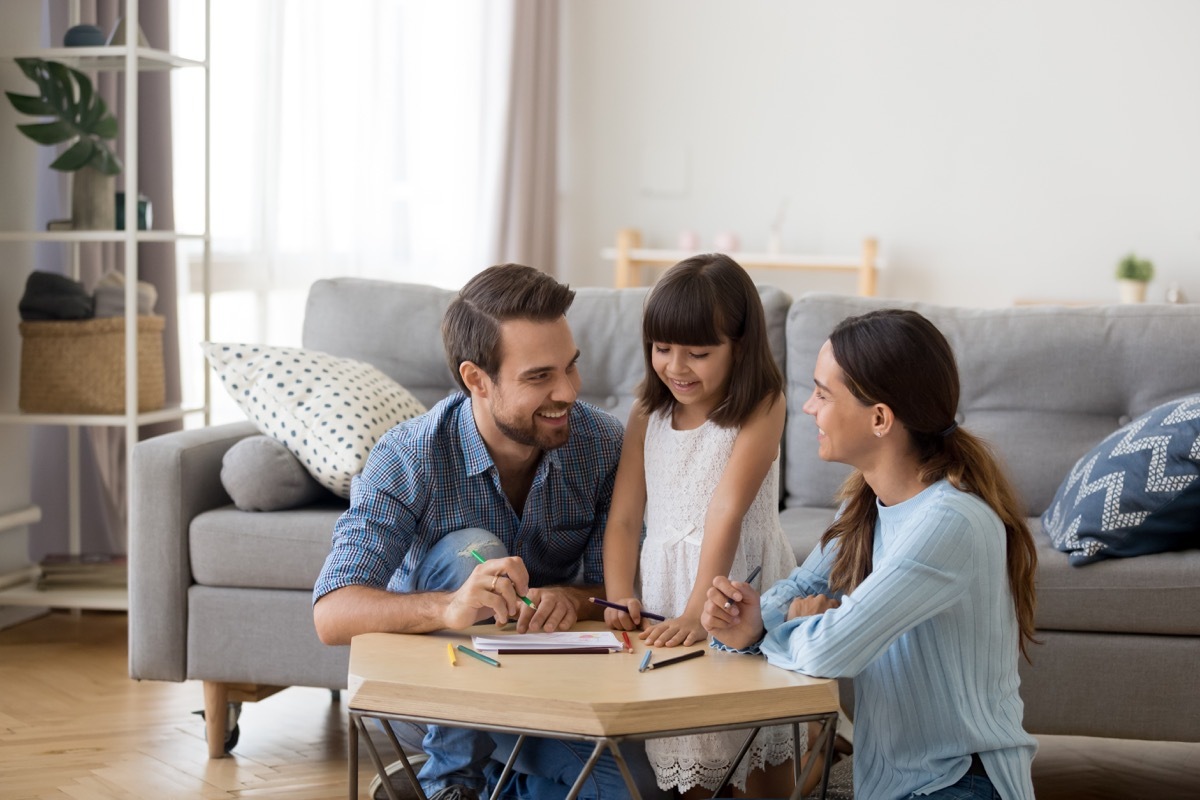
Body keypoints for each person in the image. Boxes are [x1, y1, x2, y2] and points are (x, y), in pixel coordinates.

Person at [312, 264, 668, 800]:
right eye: (539, 377)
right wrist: (448, 607)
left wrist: (569, 599)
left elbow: (613, 592)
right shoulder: (408, 457)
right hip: (441, 697)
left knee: (634, 787)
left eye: (570, 368)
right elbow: (332, 613)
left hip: (547, 690)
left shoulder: (599, 444)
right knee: (473, 553)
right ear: (476, 379)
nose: (567, 391)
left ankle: (498, 788)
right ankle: (448, 785)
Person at [703, 308, 1040, 800]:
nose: (807, 408)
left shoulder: (949, 522)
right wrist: (754, 620)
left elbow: (828, 649)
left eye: (822, 393)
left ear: (880, 418)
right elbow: (795, 591)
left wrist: (761, 629)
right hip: (892, 782)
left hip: (961, 781)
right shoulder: (870, 504)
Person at [600, 254, 800, 798]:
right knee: (694, 748)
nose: (676, 366)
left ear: (741, 345)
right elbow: (623, 518)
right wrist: (620, 597)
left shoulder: (762, 403)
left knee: (761, 740)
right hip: (669, 587)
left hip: (736, 584)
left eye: (699, 353)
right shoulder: (647, 412)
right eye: (662, 349)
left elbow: (726, 509)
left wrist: (697, 610)